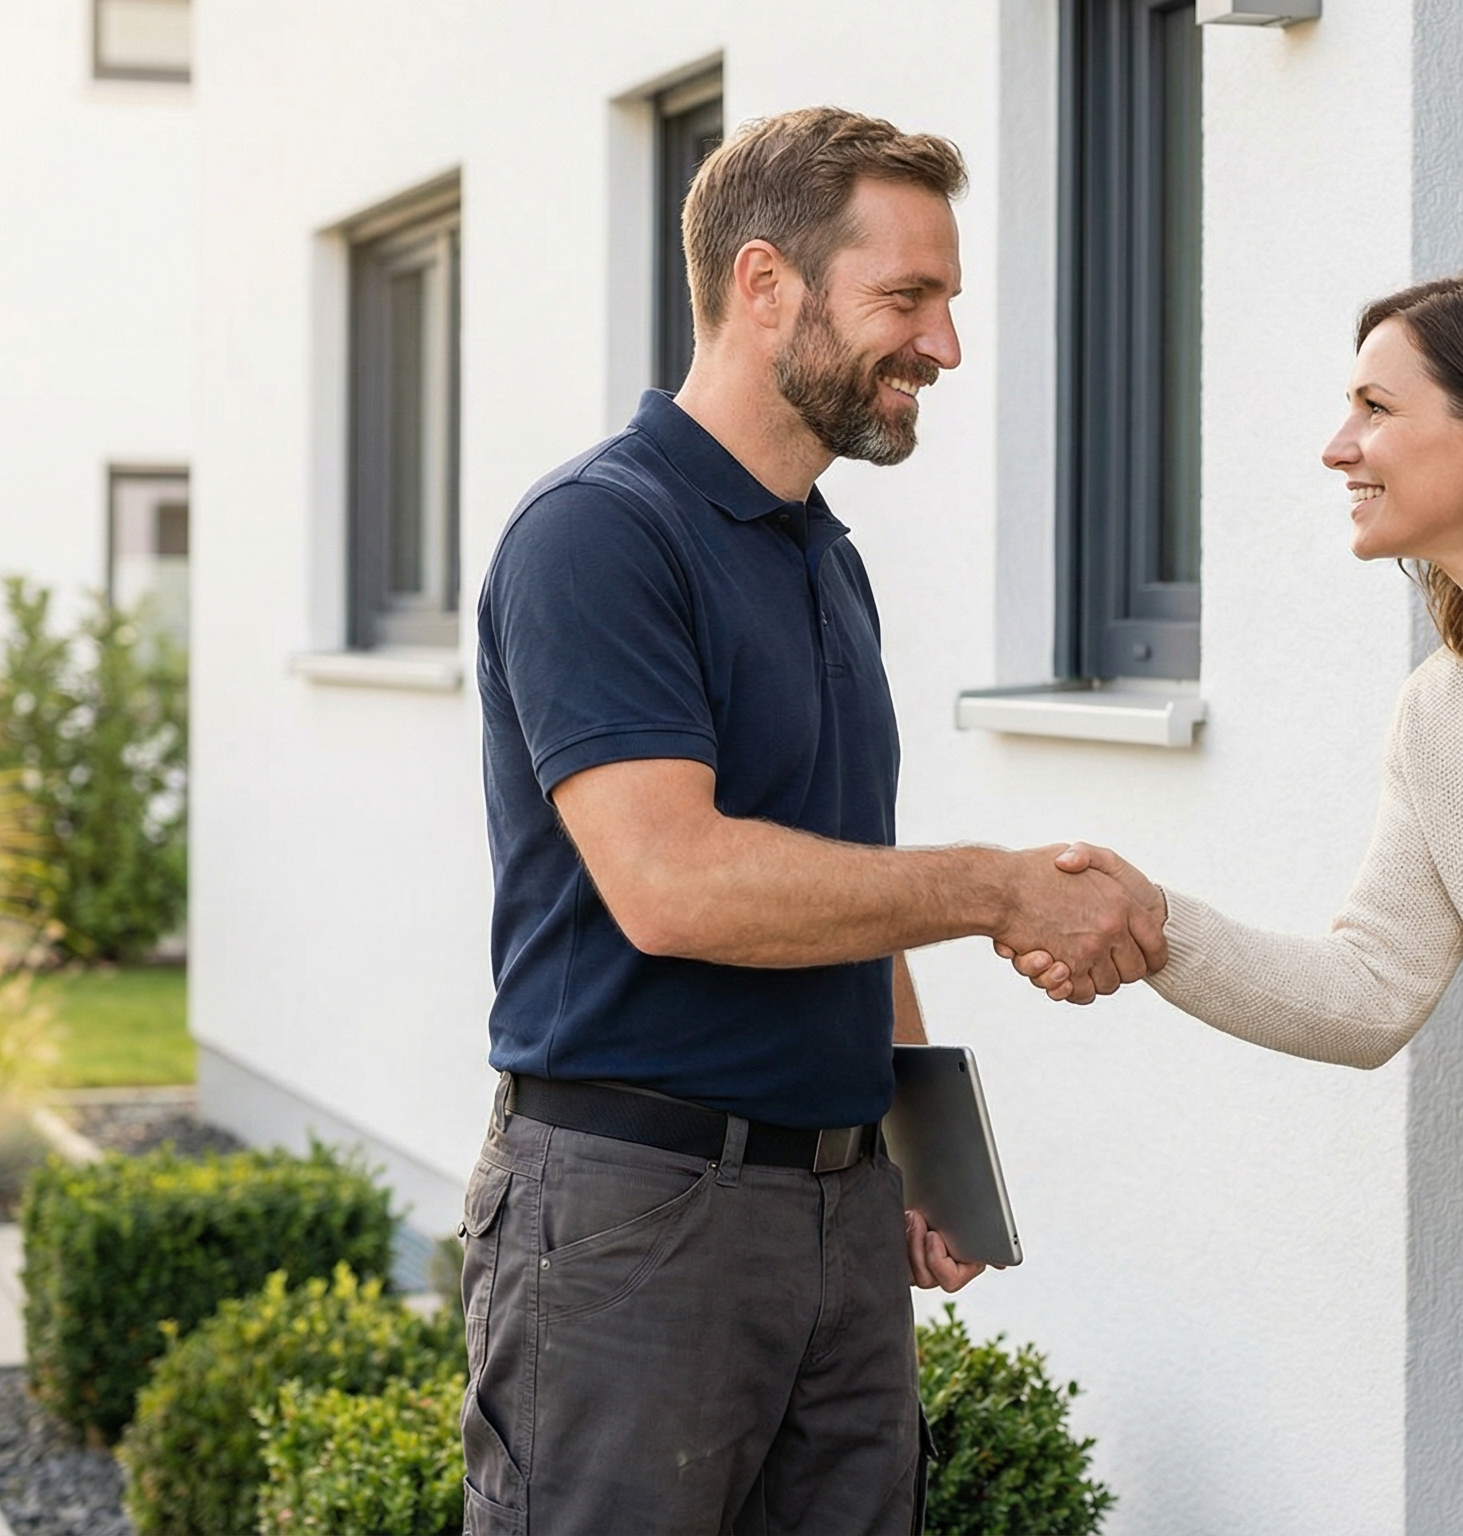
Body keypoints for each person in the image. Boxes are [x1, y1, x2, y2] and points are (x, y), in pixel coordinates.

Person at [461, 106, 1165, 1536]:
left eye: (948, 302)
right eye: (907, 299)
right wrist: (996, 887)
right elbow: (675, 883)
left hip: (837, 1213)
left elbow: (845, 877)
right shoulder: (598, 535)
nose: (944, 347)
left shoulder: (824, 560)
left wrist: (910, 1137)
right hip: (634, 1219)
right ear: (764, 284)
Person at [1007, 268, 1463, 1400]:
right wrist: (1154, 924)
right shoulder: (1442, 715)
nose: (1339, 448)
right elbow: (1368, 991)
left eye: (1376, 408)